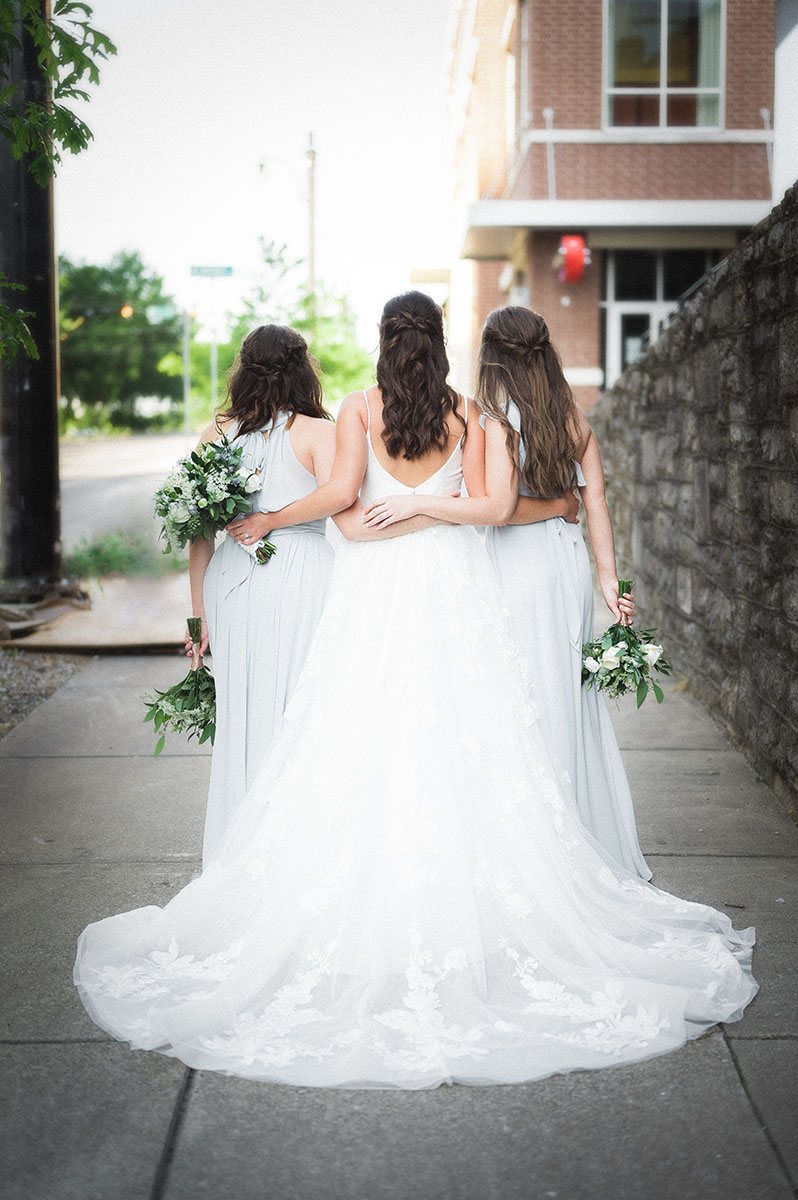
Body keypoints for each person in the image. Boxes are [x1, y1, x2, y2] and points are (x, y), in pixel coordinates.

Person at [75, 292, 756, 1090]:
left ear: (383, 343)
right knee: (463, 731)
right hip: (451, 583)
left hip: (376, 589)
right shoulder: (469, 415)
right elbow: (493, 509)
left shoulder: (360, 409)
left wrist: (391, 517)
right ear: (438, 343)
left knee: (362, 731)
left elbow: (349, 516)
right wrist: (436, 511)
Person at [363, 306, 649, 880]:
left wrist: (419, 502)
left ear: (492, 356)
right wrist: (609, 579)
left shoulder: (497, 420)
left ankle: (539, 841)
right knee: (564, 690)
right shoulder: (572, 416)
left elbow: (497, 511)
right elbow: (593, 502)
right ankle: (578, 830)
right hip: (564, 564)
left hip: (515, 564)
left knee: (521, 695)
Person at [186, 324, 335, 863]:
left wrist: (199, 612)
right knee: (300, 710)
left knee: (245, 708)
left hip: (232, 578)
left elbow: (197, 530)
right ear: (302, 367)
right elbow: (341, 504)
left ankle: (241, 853)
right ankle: (295, 855)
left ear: (244, 368)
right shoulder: (319, 431)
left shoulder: (217, 432)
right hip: (303, 574)